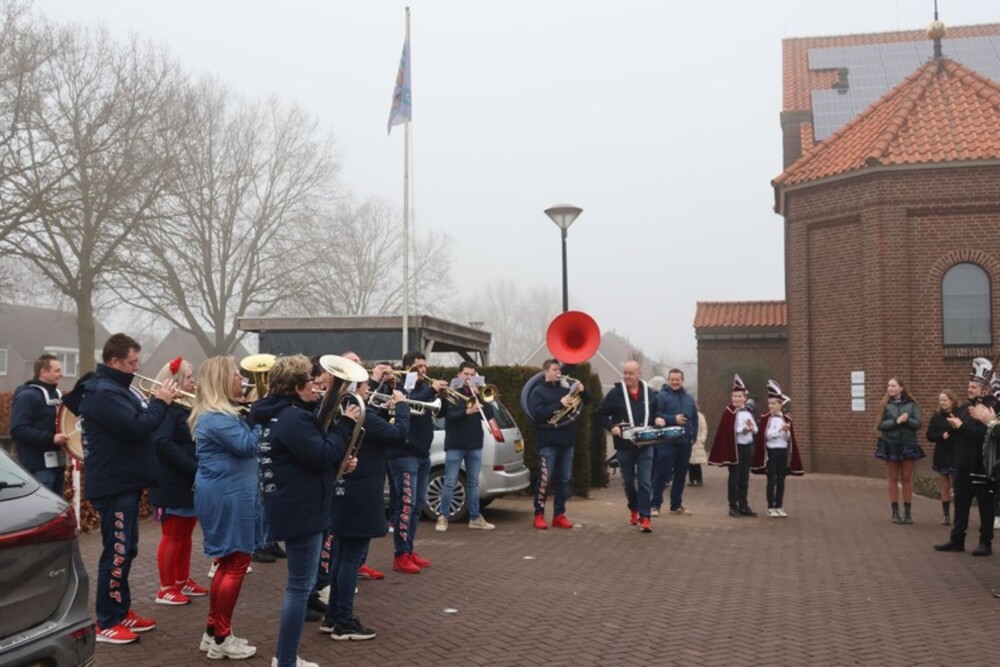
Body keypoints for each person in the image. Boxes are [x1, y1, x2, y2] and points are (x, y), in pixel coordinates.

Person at [251, 355, 357, 667]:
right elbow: (321, 453)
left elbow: (309, 458)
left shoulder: (282, 414)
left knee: (299, 586)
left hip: (296, 504)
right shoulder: (293, 419)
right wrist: (346, 425)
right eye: (311, 381)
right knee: (299, 589)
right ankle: (285, 660)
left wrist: (340, 462)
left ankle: (287, 658)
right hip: (301, 509)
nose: (316, 386)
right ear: (298, 387)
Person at [75, 334, 176, 644]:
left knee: (127, 549)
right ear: (115, 361)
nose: (137, 367)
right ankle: (106, 620)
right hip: (114, 483)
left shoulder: (117, 388)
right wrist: (160, 402)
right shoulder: (104, 393)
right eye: (132, 362)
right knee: (116, 553)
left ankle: (121, 610)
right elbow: (136, 427)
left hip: (125, 481)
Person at [319, 358, 411, 641]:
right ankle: (344, 620)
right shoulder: (363, 415)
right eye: (366, 386)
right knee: (351, 557)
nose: (370, 390)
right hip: (362, 492)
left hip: (343, 490)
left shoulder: (331, 411)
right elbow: (399, 435)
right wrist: (402, 406)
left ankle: (333, 616)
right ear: (355, 388)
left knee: (340, 556)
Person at [190, 356, 260, 660]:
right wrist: (263, 420)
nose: (240, 379)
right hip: (229, 494)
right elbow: (248, 445)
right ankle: (222, 638)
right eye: (235, 375)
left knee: (228, 561)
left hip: (226, 491)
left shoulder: (216, 414)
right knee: (236, 562)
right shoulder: (217, 418)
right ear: (221, 380)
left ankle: (213, 632)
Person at [149, 356, 208, 606]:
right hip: (171, 479)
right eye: (189, 377)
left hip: (187, 479)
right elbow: (162, 443)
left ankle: (182, 580)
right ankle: (165, 587)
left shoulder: (185, 407)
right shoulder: (166, 409)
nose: (194, 382)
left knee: (185, 534)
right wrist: (192, 466)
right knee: (172, 534)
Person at [388, 351, 447, 572]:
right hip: (403, 454)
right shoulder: (398, 387)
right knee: (405, 505)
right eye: (418, 366)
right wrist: (432, 391)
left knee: (417, 507)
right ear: (407, 367)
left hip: (422, 454)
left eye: (425, 366)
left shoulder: (425, 389)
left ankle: (409, 549)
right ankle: (400, 554)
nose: (423, 369)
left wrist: (442, 394)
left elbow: (440, 413)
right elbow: (406, 404)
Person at [596, 360, 666, 533]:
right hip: (624, 445)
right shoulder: (616, 393)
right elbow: (600, 414)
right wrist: (612, 427)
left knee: (644, 481)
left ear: (639, 374)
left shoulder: (649, 393)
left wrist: (658, 418)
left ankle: (645, 517)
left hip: (646, 444)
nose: (627, 376)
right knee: (628, 482)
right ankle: (634, 507)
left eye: (630, 373)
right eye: (625, 373)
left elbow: (656, 410)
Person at [936, 358, 997, 555]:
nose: (969, 389)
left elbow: (986, 433)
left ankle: (985, 542)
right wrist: (954, 425)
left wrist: (963, 426)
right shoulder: (964, 408)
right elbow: (956, 432)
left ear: (984, 388)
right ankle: (957, 539)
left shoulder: (991, 407)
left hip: (981, 465)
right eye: (968, 386)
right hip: (962, 465)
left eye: (973, 386)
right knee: (960, 504)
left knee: (985, 507)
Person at [526, 359, 587, 530]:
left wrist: (582, 391)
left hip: (567, 440)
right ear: (545, 372)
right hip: (547, 441)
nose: (558, 372)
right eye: (554, 369)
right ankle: (538, 514)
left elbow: (587, 402)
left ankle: (559, 514)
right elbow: (538, 415)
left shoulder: (566, 389)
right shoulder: (538, 391)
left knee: (565, 479)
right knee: (545, 479)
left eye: (558, 369)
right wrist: (559, 404)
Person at [436, 361, 496, 532]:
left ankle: (475, 517)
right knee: (450, 481)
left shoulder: (478, 393)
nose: (469, 378)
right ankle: (443, 517)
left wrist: (481, 397)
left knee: (474, 482)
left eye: (472, 375)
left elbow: (489, 415)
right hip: (455, 443)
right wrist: (466, 412)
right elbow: (449, 417)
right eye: (466, 374)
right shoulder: (451, 393)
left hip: (475, 443)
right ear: (459, 374)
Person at [11, 353, 68, 495]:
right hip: (37, 468)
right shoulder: (27, 397)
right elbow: (18, 429)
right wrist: (51, 438)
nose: (61, 374)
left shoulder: (58, 396)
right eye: (57, 370)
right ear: (43, 372)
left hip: (58, 466)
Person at [873, 377, 923, 524]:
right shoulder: (885, 405)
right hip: (891, 443)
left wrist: (907, 420)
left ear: (901, 388)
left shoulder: (911, 405)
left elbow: (918, 423)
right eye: (889, 386)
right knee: (893, 477)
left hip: (908, 443)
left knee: (907, 478)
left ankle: (908, 512)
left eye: (894, 386)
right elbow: (880, 425)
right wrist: (896, 421)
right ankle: (895, 512)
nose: (890, 388)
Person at [750, 380, 804, 517]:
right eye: (769, 403)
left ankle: (779, 505)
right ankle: (770, 506)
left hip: (782, 451)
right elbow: (766, 436)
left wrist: (786, 431)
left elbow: (788, 440)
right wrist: (780, 430)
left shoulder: (786, 418)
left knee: (781, 479)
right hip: (771, 451)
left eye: (774, 403)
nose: (771, 406)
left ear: (781, 404)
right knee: (771, 479)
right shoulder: (765, 418)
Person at [708, 374, 759, 517]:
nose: (736, 399)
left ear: (745, 398)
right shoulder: (729, 412)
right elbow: (727, 430)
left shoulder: (748, 412)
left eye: (739, 396)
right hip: (734, 449)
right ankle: (733, 505)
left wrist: (751, 429)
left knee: (744, 477)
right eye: (734, 396)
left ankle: (744, 504)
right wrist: (742, 430)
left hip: (746, 448)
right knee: (734, 477)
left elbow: (756, 429)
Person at [652, 368, 698, 516]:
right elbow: (655, 415)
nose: (675, 382)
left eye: (678, 379)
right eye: (672, 379)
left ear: (682, 380)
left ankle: (676, 506)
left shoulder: (689, 398)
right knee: (663, 474)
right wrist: (673, 419)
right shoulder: (661, 397)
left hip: (685, 442)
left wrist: (693, 435)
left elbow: (694, 418)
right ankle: (655, 505)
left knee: (681, 474)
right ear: (668, 380)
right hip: (667, 442)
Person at [926, 389, 960, 526]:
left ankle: (959, 514)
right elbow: (929, 435)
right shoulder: (936, 417)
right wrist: (941, 436)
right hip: (942, 453)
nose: (942, 403)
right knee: (944, 485)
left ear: (952, 401)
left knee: (957, 485)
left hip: (956, 453)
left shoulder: (959, 414)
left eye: (945, 400)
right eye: (940, 400)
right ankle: (946, 515)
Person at [688, 402, 708, 487]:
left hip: (698, 441)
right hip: (689, 442)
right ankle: (692, 480)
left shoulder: (700, 416)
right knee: (690, 463)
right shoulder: (688, 416)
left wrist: (702, 439)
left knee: (697, 463)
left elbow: (704, 429)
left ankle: (699, 479)